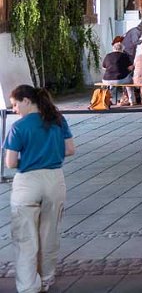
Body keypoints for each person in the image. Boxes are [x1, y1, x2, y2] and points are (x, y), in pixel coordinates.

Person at [4, 86, 75, 293]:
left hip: (27, 182)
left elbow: (10, 163)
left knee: (25, 238)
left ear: (26, 101)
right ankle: (46, 279)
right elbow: (70, 149)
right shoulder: (57, 120)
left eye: (15, 104)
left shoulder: (18, 127)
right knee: (49, 234)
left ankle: (28, 286)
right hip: (54, 180)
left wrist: (30, 158)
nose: (14, 109)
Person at [101, 41, 135, 106]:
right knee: (130, 81)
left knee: (110, 84)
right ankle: (132, 101)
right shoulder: (124, 55)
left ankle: (108, 100)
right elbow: (130, 68)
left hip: (106, 79)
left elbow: (104, 68)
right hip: (120, 79)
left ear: (113, 48)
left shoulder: (108, 55)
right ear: (122, 49)